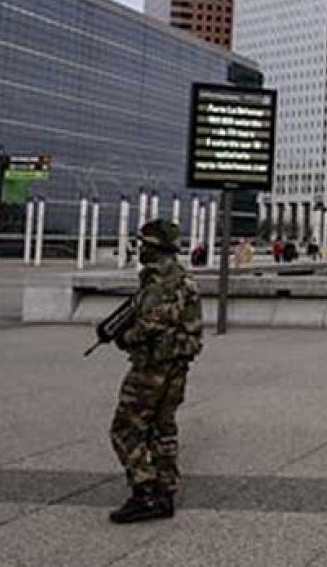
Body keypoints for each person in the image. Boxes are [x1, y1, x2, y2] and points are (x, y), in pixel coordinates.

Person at [108, 219, 204, 523]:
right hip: (177, 364)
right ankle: (165, 490)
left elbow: (153, 323)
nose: (140, 250)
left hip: (153, 367)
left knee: (126, 428)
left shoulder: (160, 281)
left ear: (153, 247)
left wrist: (125, 337)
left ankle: (145, 490)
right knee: (163, 427)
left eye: (143, 245)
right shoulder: (183, 277)